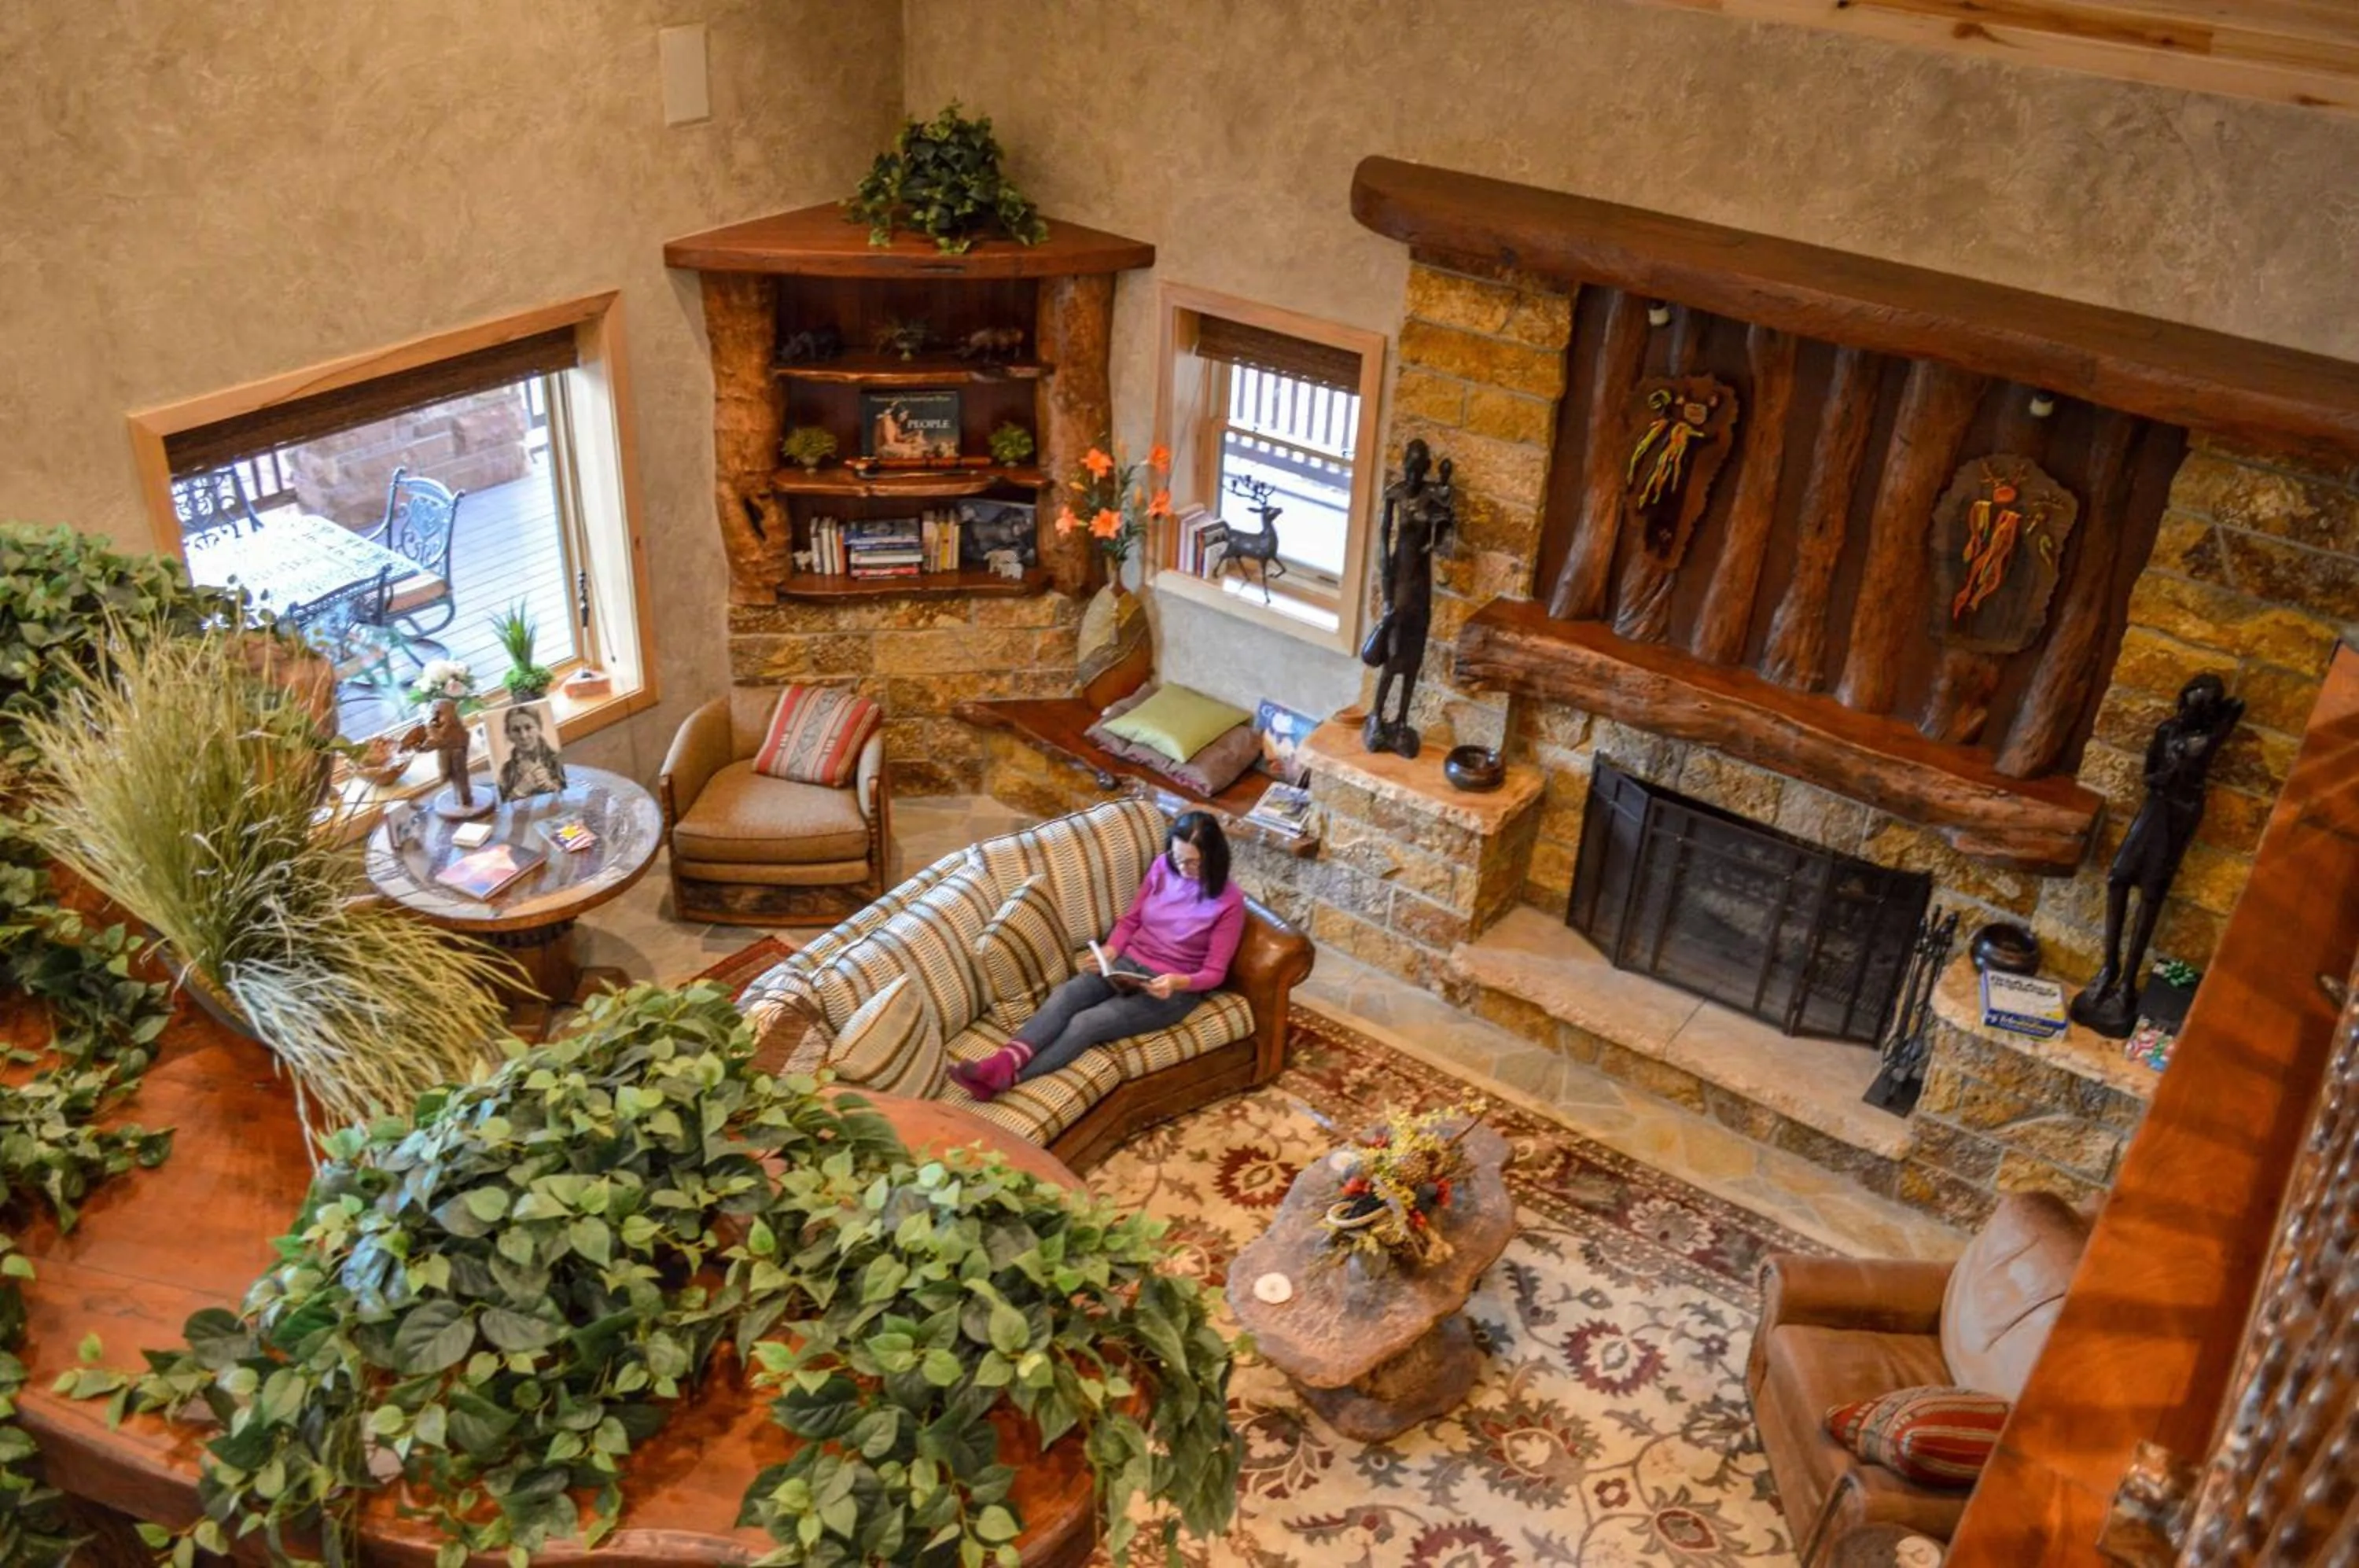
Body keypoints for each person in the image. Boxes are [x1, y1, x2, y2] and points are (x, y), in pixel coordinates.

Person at [950, 813, 1245, 1102]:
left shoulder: (1229, 902)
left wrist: (1177, 982)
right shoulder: (1162, 867)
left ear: (1214, 857)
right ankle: (1004, 1060)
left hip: (1172, 990)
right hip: (1128, 964)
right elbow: (1131, 920)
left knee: (1087, 1023)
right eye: (1177, 857)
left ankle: (1007, 1080)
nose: (1182, 868)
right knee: (1067, 995)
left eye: (1193, 861)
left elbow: (1215, 972)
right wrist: (1112, 950)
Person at [496, 705, 568, 799]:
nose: (523, 736)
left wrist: (551, 787)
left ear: (539, 728)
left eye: (529, 728)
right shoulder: (507, 771)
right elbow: (503, 808)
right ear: (509, 735)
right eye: (516, 730)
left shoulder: (558, 760)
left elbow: (575, 796)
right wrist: (519, 791)